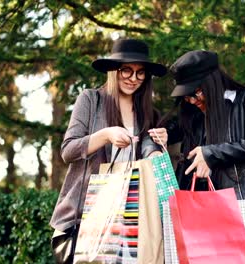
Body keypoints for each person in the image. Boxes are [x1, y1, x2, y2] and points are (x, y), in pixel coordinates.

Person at [50, 39, 168, 246]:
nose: (133, 78)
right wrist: (105, 135)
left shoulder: (149, 113)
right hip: (88, 213)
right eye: (126, 71)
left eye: (140, 73)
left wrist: (158, 148)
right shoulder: (90, 100)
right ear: (113, 71)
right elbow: (68, 150)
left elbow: (149, 149)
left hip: (130, 216)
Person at [166, 50, 245, 212]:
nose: (192, 100)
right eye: (186, 96)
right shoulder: (191, 113)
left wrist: (212, 154)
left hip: (236, 203)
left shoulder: (244, 100)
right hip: (194, 208)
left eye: (195, 93)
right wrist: (162, 134)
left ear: (211, 83)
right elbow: (166, 131)